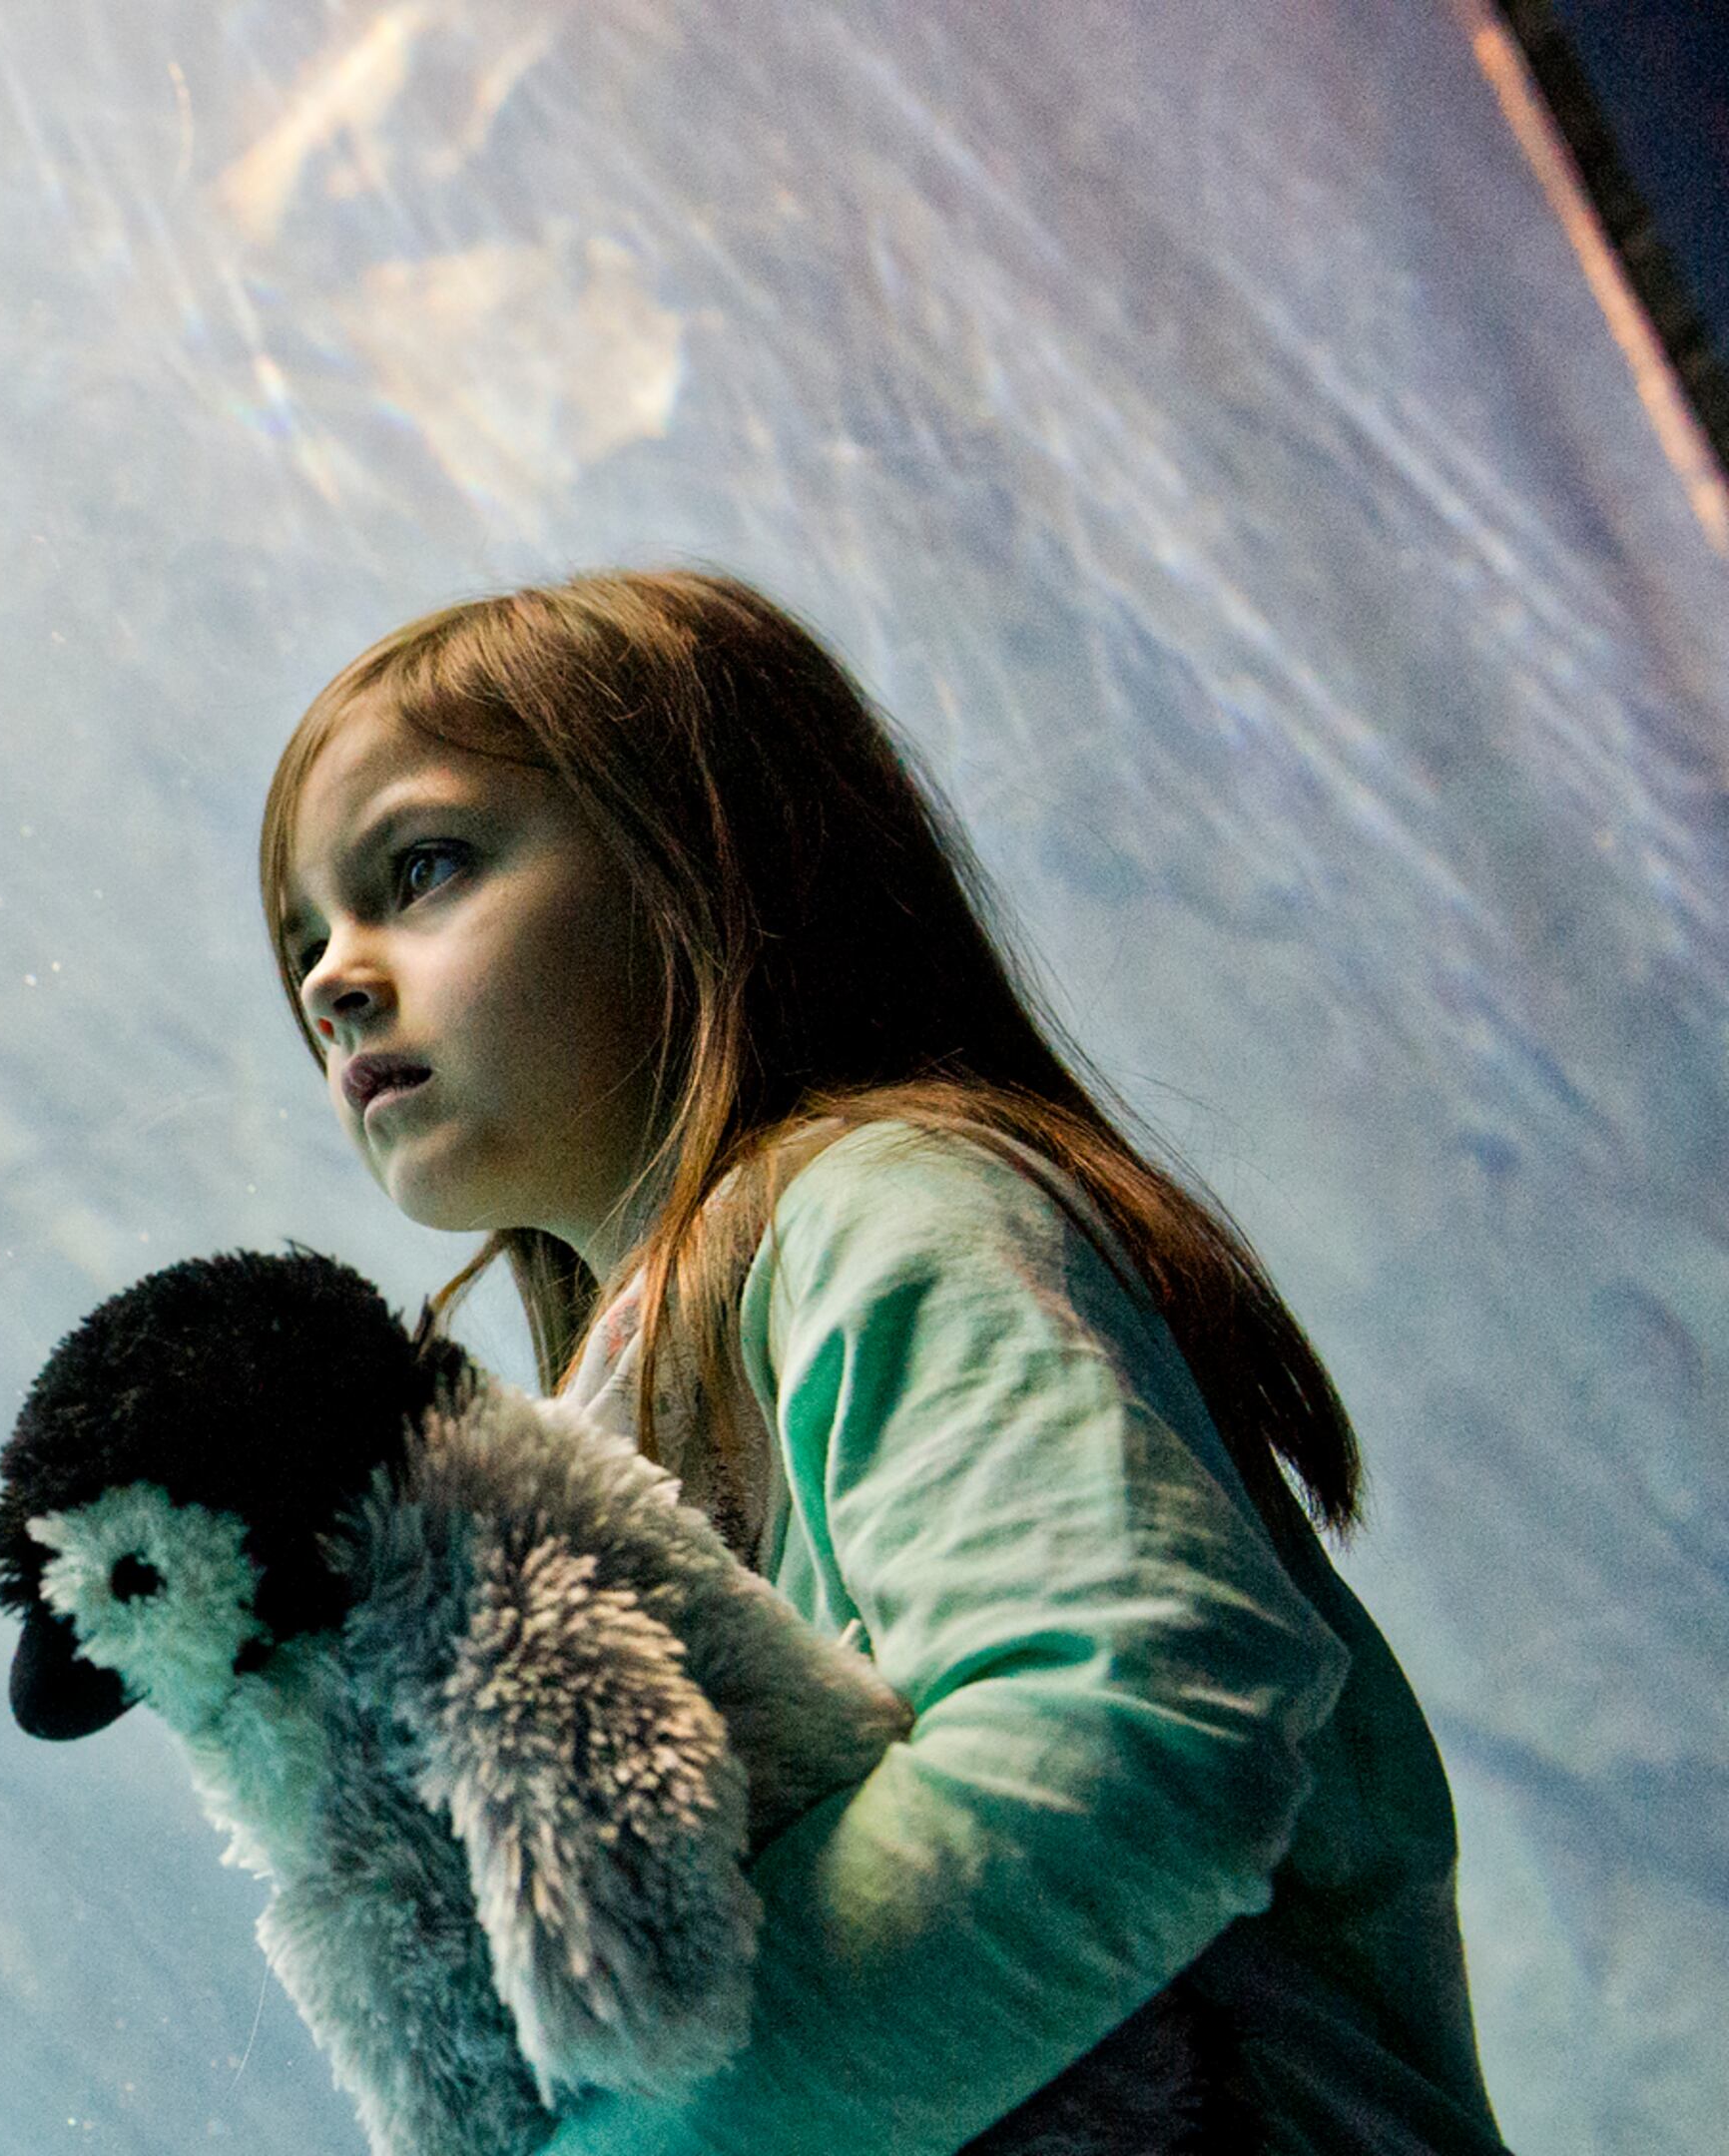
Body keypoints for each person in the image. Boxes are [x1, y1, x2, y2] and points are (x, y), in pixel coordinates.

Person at [260, 568, 1510, 2154]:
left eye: (420, 868)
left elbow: (1130, 1734)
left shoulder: (889, 1204)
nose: (330, 976)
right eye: (307, 934)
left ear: (713, 854)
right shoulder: (644, 1394)